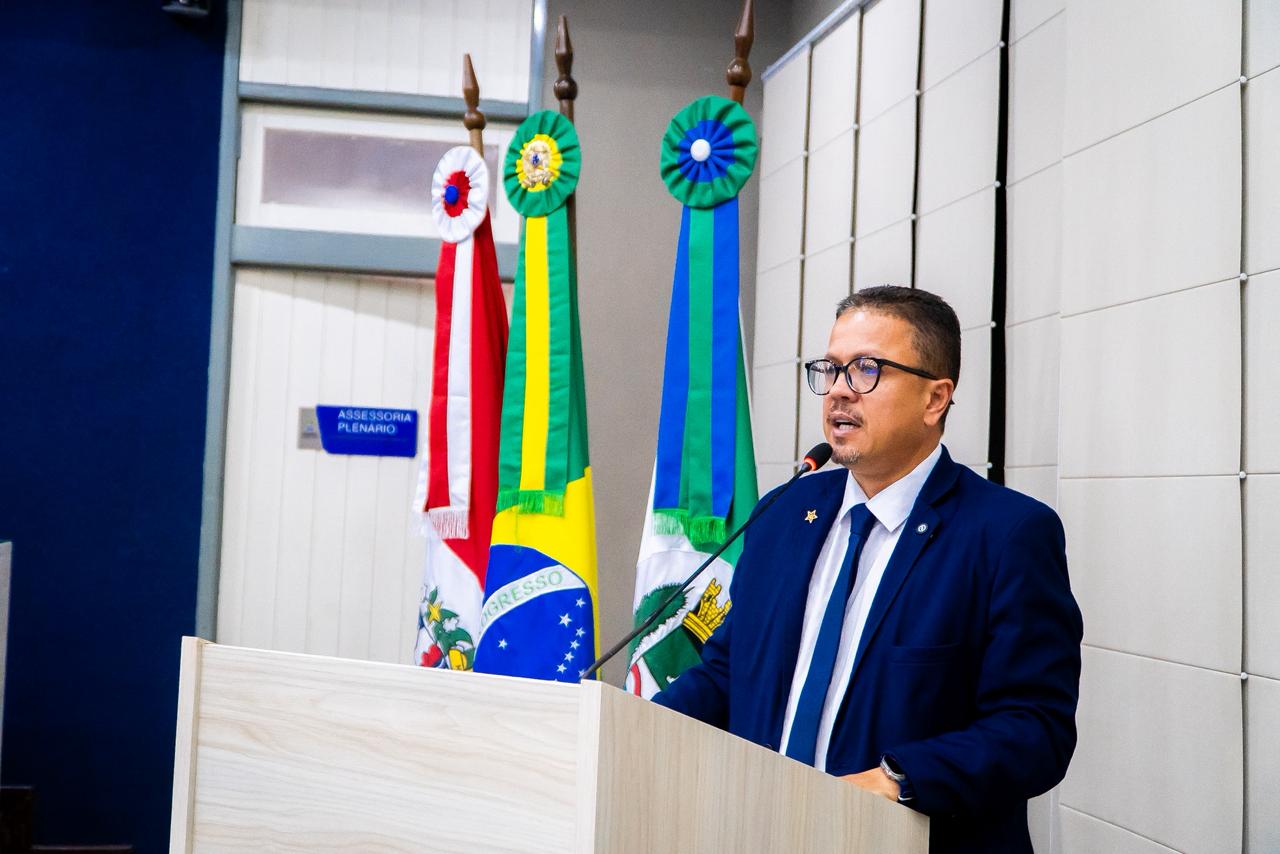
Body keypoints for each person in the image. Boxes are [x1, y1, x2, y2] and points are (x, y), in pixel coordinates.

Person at [653, 286, 1083, 853]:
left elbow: (1034, 728)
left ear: (935, 399)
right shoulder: (783, 513)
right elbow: (728, 674)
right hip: (768, 832)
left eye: (866, 369)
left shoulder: (1007, 534)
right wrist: (615, 725)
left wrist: (897, 779)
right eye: (830, 369)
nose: (838, 390)